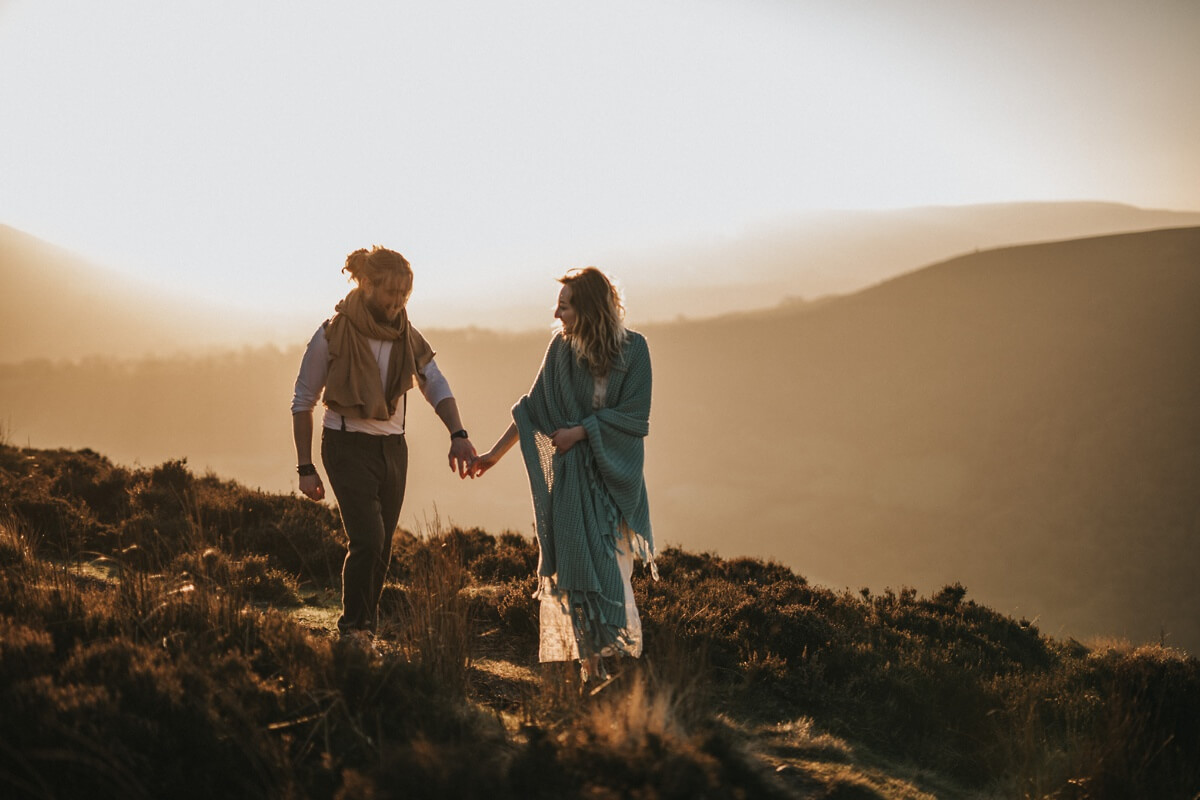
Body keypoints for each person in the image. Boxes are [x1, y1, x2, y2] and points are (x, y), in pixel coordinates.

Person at [471, 267, 655, 682]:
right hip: (571, 486)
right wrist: (493, 456)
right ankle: (594, 668)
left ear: (588, 308)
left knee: (612, 574)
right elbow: (531, 409)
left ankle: (610, 660)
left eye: (565, 305)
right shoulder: (560, 351)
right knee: (573, 575)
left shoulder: (635, 351)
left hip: (612, 486)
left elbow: (635, 419)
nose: (557, 314)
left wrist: (582, 431)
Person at [291, 246, 477, 647]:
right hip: (345, 444)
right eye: (390, 293)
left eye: (403, 295)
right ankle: (353, 630)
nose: (396, 303)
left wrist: (458, 434)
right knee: (368, 540)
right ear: (367, 284)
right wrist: (305, 467)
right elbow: (303, 400)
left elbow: (435, 383)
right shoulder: (331, 333)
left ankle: (365, 630)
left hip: (393, 449)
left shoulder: (406, 336)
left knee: (382, 547)